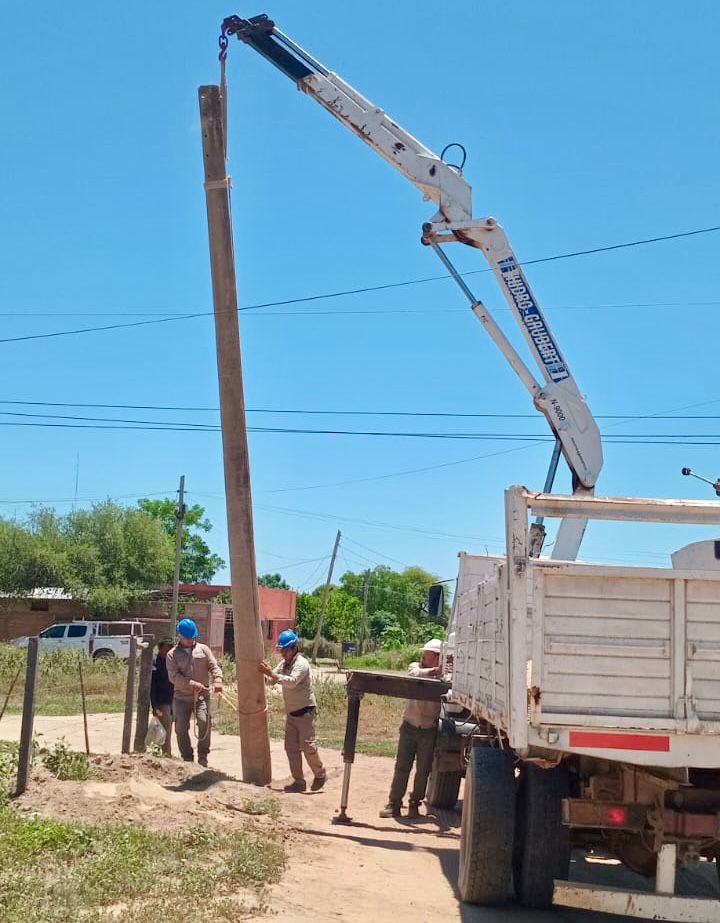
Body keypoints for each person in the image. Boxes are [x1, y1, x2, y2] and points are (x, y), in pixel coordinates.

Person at [380, 638, 445, 819]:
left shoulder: (443, 675)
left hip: (428, 729)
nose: (425, 656)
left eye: (429, 654)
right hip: (409, 726)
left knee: (423, 770)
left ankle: (414, 804)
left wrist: (441, 673)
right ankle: (394, 803)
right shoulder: (415, 667)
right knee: (402, 766)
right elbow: (414, 674)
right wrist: (434, 672)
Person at [260, 630, 327, 793]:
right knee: (291, 748)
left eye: (285, 650)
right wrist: (264, 676)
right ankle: (299, 782)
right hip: (292, 713)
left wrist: (272, 674)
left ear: (294, 648)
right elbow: (272, 680)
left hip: (305, 711)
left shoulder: (301, 664)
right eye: (281, 650)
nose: (283, 653)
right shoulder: (284, 664)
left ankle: (320, 774)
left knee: (308, 746)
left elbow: (292, 682)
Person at [166, 618, 223, 767]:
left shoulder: (203, 649)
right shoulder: (172, 655)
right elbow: (173, 677)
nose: (191, 640)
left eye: (193, 637)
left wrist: (218, 680)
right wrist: (191, 684)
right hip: (181, 697)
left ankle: (203, 756)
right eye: (188, 638)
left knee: (204, 722)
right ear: (180, 636)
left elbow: (214, 666)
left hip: (201, 697)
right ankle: (187, 758)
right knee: (180, 728)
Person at [150, 638, 174, 755]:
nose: (168, 652)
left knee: (168, 727)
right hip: (161, 702)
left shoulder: (173, 662)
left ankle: (164, 752)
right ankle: (164, 753)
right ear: (160, 649)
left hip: (173, 700)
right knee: (164, 728)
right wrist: (154, 706)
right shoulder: (155, 662)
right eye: (166, 649)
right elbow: (152, 686)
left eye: (170, 649)